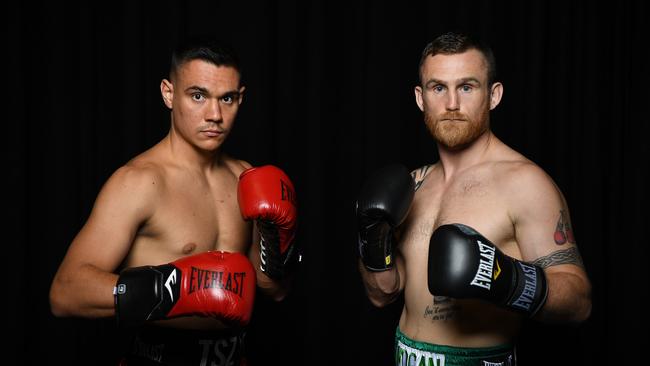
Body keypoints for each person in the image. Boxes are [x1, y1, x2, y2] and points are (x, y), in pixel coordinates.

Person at [49, 36, 299, 366]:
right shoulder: (138, 182)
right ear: (168, 93)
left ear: (241, 98)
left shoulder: (246, 177)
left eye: (227, 99)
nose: (215, 115)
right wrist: (171, 290)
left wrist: (278, 239)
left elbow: (274, 290)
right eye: (198, 96)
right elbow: (65, 292)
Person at [356, 31, 592, 365]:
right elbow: (382, 295)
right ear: (421, 98)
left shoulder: (525, 184)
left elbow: (579, 303)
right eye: (439, 88)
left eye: (466, 87)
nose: (452, 104)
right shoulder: (413, 185)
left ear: (493, 95)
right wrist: (372, 241)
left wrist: (506, 279)